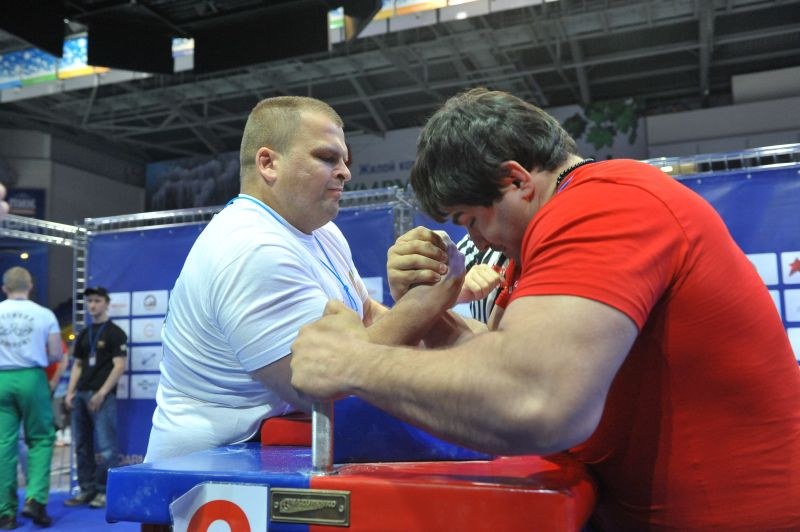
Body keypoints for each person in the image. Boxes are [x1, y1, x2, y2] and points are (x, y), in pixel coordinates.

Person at [290, 88, 800, 530]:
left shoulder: (605, 206)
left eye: (471, 219)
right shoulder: (546, 237)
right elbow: (497, 358)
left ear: (516, 180)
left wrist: (350, 363)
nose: (474, 239)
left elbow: (534, 398)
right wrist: (428, 308)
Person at [144, 96, 464, 463]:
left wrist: (422, 302)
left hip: (260, 455)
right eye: (327, 158)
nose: (345, 171)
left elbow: (372, 320)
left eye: (346, 160)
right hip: (204, 474)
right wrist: (425, 301)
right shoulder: (251, 248)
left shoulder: (323, 233)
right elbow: (321, 384)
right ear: (268, 163)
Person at [0, 267, 62, 528]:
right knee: (40, 439)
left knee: (3, 445)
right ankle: (35, 500)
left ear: (5, 288)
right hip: (32, 378)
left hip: (1, 378)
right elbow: (56, 354)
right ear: (30, 286)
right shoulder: (44, 314)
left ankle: (5, 513)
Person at [63, 287, 127, 509]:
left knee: (107, 448)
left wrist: (101, 393)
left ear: (106, 303)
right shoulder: (83, 333)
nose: (92, 305)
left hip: (103, 397)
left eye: (97, 301)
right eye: (89, 301)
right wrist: (70, 392)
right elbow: (78, 365)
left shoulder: (115, 332)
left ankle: (103, 491)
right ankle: (86, 489)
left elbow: (120, 367)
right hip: (81, 395)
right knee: (81, 446)